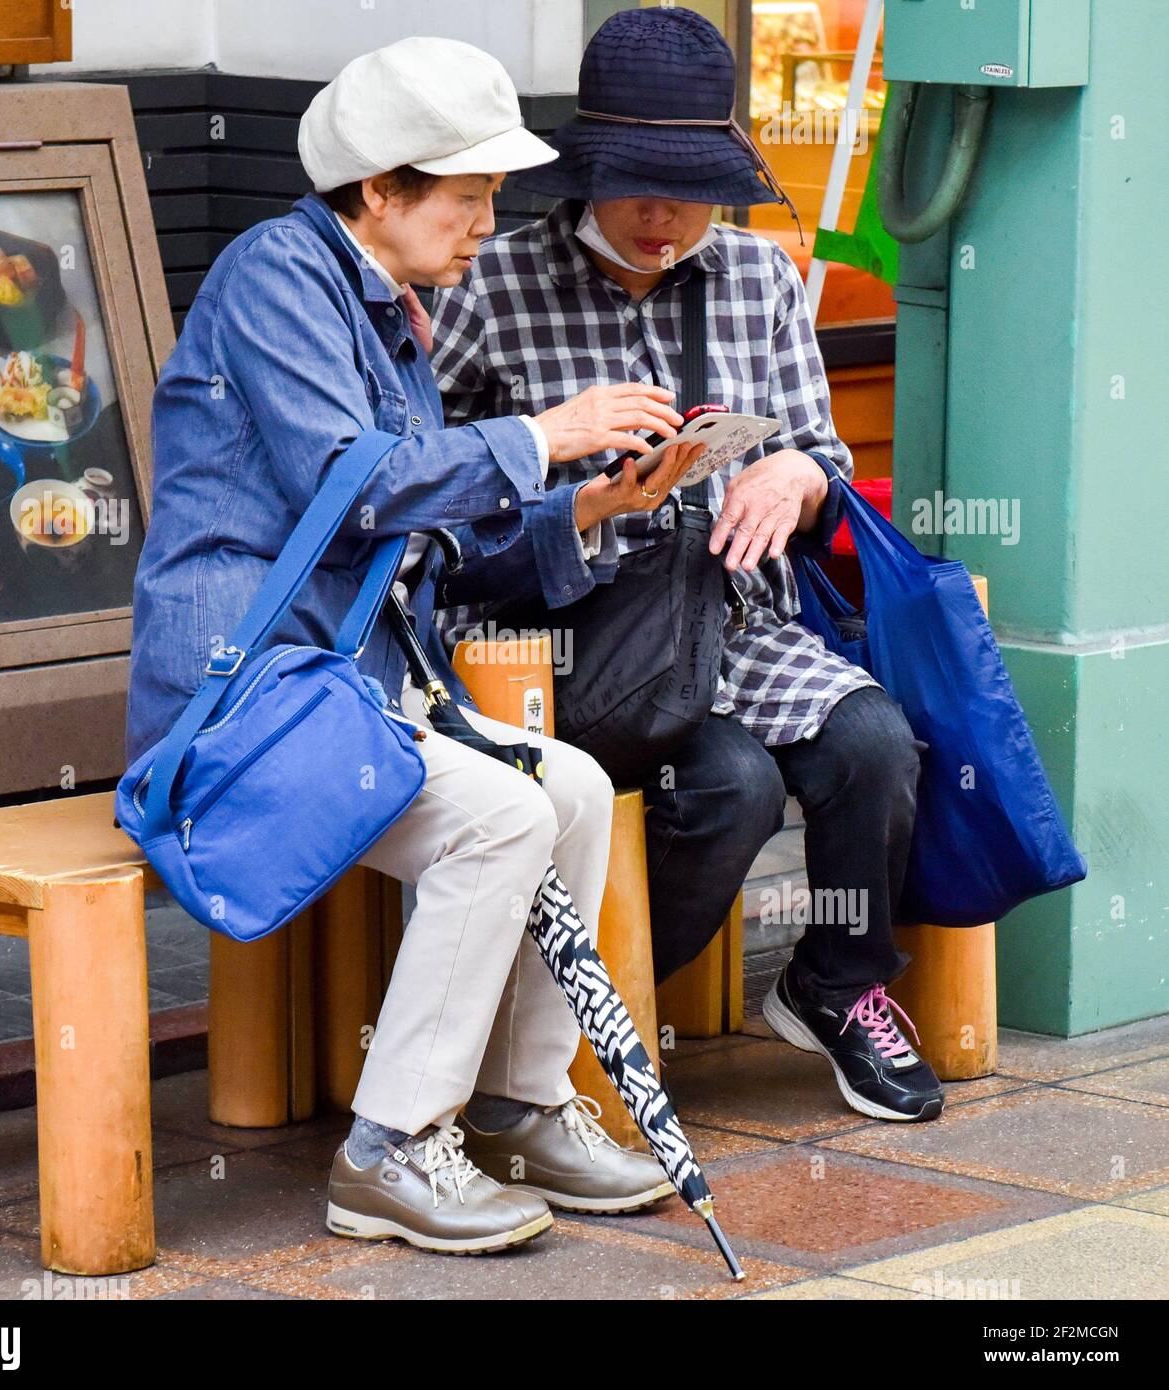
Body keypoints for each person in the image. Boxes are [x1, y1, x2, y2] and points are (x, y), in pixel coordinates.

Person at [124, 37, 688, 1256]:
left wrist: (589, 507)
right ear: (377, 189)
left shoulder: (385, 309)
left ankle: (519, 1102)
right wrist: (543, 436)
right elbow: (354, 485)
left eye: (493, 194)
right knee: (502, 816)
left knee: (575, 786)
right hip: (242, 710)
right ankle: (388, 1150)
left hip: (344, 694)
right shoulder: (277, 271)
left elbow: (412, 547)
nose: (491, 220)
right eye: (468, 193)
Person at [430, 8, 945, 1124]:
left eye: (687, 186)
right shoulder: (496, 281)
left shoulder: (758, 278)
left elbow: (823, 451)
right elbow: (430, 480)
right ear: (588, 170)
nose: (661, 216)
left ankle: (835, 985)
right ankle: (573, 1021)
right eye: (636, 186)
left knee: (873, 743)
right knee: (729, 787)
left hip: (736, 618)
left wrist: (796, 482)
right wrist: (569, 484)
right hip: (575, 638)